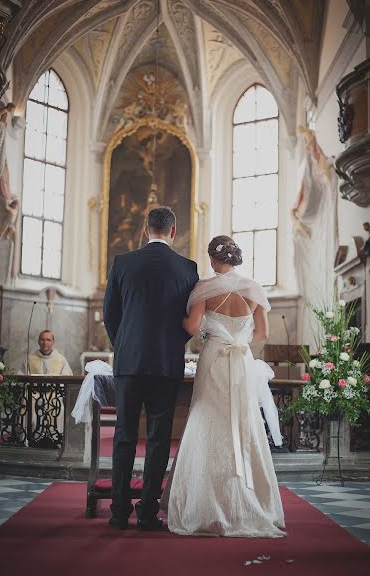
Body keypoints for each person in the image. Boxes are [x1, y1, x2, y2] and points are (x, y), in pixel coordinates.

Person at [164, 235, 286, 537]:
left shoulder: (205, 288)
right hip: (241, 360)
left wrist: (207, 331)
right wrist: (238, 339)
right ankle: (248, 502)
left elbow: (191, 328)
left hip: (214, 358)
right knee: (242, 420)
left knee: (208, 418)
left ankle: (204, 503)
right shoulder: (253, 289)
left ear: (212, 259)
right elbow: (262, 333)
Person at [103, 206, 199, 531]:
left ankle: (118, 513)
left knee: (124, 436)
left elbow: (109, 315)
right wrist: (171, 346)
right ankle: (146, 513)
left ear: (146, 230)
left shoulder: (122, 262)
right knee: (158, 439)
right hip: (166, 363)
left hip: (128, 363)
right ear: (173, 231)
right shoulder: (188, 268)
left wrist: (126, 346)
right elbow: (190, 322)